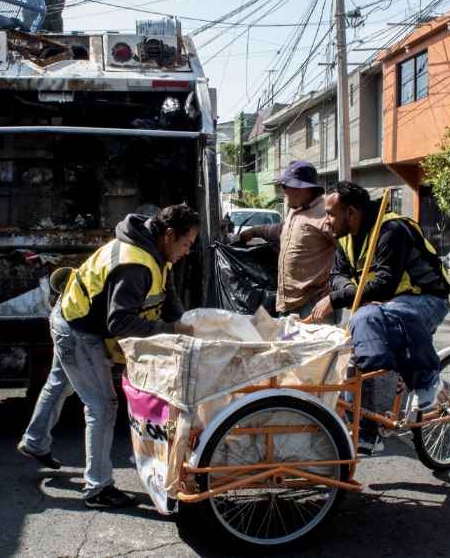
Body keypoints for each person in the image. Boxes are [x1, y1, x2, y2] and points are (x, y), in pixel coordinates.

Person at [18, 205, 198, 509]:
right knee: (102, 405)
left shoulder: (157, 252)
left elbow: (169, 299)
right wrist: (172, 329)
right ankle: (98, 488)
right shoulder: (135, 265)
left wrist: (179, 327)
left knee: (61, 383)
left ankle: (34, 442)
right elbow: (120, 323)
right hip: (79, 329)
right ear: (169, 235)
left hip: (72, 315)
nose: (188, 251)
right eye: (187, 244)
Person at [311, 181, 450, 453]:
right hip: (379, 308)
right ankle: (366, 432)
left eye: (330, 213)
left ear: (350, 212)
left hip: (427, 299)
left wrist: (338, 297)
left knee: (382, 316)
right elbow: (337, 276)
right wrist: (349, 291)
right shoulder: (344, 239)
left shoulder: (392, 230)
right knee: (354, 355)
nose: (326, 220)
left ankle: (428, 378)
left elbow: (386, 285)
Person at [239, 161, 337, 323]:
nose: (282, 190)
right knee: (281, 342)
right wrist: (255, 230)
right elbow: (281, 230)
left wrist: (337, 281)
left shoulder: (325, 214)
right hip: (289, 302)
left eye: (285, 185)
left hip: (314, 303)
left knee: (307, 347)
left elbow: (351, 246)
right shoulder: (296, 211)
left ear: (301, 188)